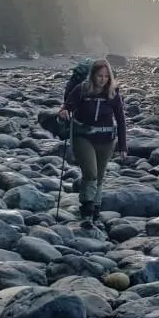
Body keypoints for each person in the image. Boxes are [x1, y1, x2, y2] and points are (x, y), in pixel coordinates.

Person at [58, 58, 128, 230]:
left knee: (100, 176)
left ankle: (95, 209)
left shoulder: (113, 93)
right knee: (91, 173)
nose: (103, 79)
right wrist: (64, 113)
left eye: (106, 76)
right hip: (83, 137)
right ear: (92, 76)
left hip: (106, 140)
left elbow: (121, 120)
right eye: (99, 76)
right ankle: (87, 206)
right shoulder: (82, 89)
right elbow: (66, 107)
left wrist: (123, 146)